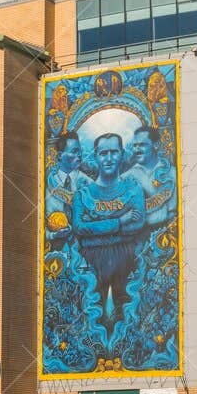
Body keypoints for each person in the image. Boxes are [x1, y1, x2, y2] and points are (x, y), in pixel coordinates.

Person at [70, 132, 147, 323]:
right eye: (103, 153)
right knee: (91, 315)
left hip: (126, 260)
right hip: (91, 262)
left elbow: (137, 225)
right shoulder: (82, 194)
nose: (109, 158)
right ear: (96, 156)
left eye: (114, 152)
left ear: (122, 154)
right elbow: (80, 227)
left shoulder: (134, 189)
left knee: (127, 317)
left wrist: (95, 229)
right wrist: (120, 221)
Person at [126, 126, 177, 231]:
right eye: (134, 146)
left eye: (142, 145)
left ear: (156, 145)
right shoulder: (126, 177)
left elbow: (174, 212)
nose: (137, 150)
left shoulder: (173, 173)